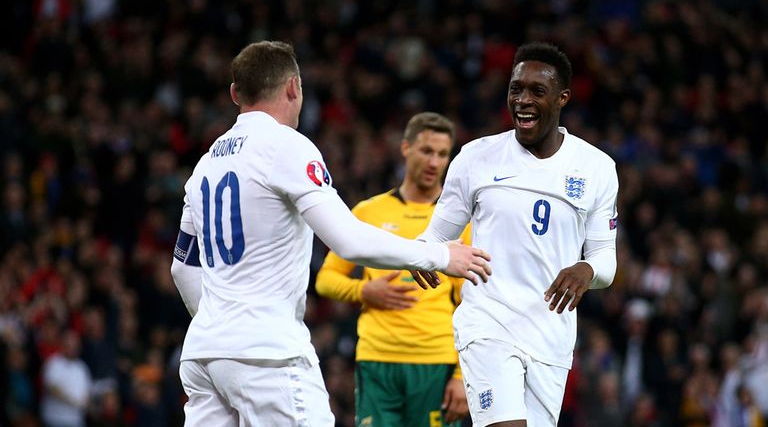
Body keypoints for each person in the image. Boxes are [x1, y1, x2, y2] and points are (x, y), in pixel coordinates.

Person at [169, 41, 492, 426]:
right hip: (267, 354)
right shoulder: (287, 147)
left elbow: (182, 267)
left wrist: (219, 324)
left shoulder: (205, 165)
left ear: (235, 93)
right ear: (294, 88)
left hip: (204, 354)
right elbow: (348, 240)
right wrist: (440, 256)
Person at [414, 42, 619, 427]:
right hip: (488, 324)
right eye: (515, 88)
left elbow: (605, 258)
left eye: (536, 91)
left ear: (563, 98)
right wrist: (423, 256)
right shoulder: (476, 158)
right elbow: (435, 236)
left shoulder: (596, 168)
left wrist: (586, 271)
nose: (522, 100)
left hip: (550, 337)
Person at [316, 112, 471, 427]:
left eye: (443, 154)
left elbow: (471, 304)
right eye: (427, 151)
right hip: (377, 359)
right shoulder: (368, 212)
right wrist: (363, 290)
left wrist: (461, 374)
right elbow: (325, 279)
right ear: (405, 148)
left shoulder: (460, 223)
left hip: (436, 362)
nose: (434, 162)